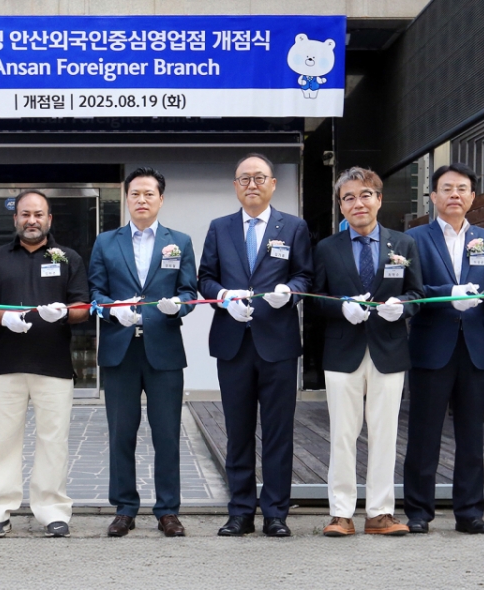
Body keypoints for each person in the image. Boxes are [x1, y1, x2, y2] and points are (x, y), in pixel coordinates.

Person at [198, 153, 313, 537]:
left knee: (278, 431)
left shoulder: (293, 227)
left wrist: (289, 292)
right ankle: (240, 512)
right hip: (233, 343)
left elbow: (305, 275)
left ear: (273, 184)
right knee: (238, 430)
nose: (252, 184)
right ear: (235, 186)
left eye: (259, 177)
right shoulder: (220, 228)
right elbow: (205, 278)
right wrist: (223, 297)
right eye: (244, 178)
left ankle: (276, 513)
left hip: (277, 343)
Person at [402, 163, 484, 535]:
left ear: (472, 196)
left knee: (471, 435)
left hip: (474, 346)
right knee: (424, 433)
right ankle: (419, 512)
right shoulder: (414, 238)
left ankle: (470, 513)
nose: (455, 194)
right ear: (433, 196)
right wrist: (448, 294)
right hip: (431, 345)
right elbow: (412, 288)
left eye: (462, 188)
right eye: (447, 188)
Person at [0, 190, 90, 539]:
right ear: (15, 219)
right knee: (1, 439)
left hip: (54, 364)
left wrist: (64, 313)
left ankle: (52, 510)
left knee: (53, 440)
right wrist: (3, 319)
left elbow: (83, 307)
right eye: (25, 214)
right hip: (5, 364)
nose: (32, 220)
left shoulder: (68, 258)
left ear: (49, 219)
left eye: (38, 214)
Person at [87, 167, 198, 537]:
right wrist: (111, 310)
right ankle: (124, 508)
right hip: (120, 350)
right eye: (135, 193)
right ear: (126, 198)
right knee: (121, 433)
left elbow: (189, 292)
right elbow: (95, 293)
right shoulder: (106, 242)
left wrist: (177, 307)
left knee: (167, 433)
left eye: (149, 193)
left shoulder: (178, 241)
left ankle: (168, 510)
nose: (142, 200)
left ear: (161, 199)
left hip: (163, 349)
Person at [313, 167, 423, 537]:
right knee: (342, 434)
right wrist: (340, 307)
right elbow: (315, 298)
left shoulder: (403, 245)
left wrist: (402, 307)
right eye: (348, 197)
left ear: (378, 199)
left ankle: (379, 513)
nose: (357, 203)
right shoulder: (326, 248)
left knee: (384, 433)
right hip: (342, 350)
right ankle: (341, 513)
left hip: (388, 350)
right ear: (341, 206)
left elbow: (417, 293)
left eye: (365, 195)